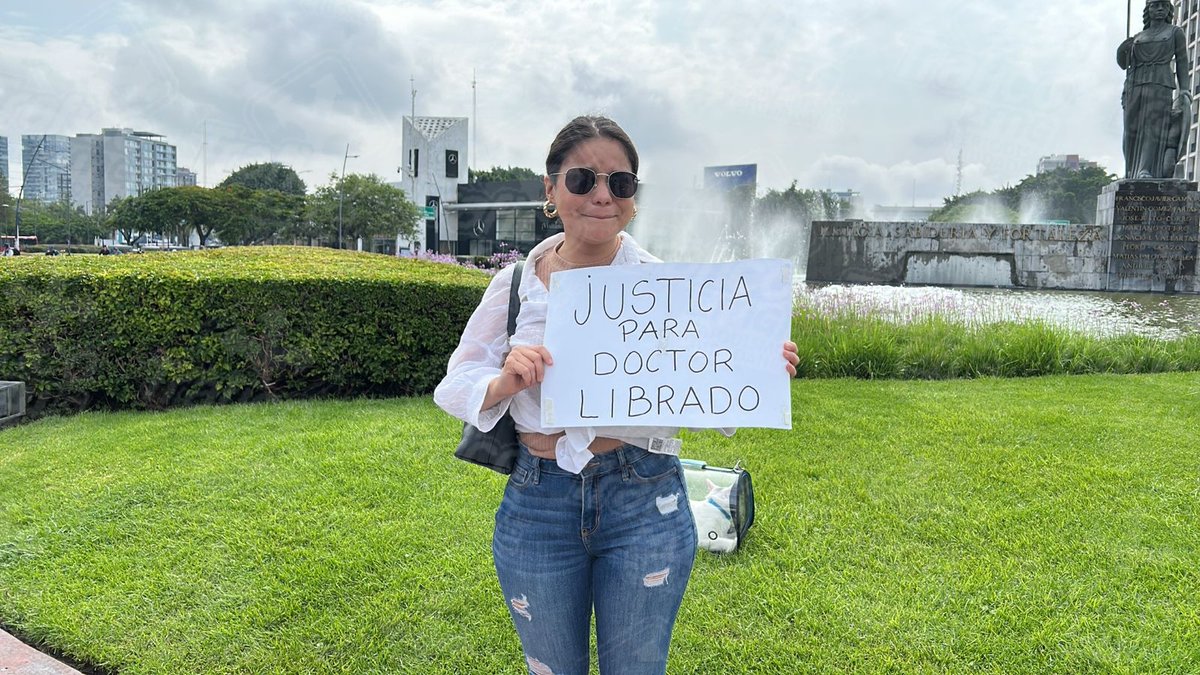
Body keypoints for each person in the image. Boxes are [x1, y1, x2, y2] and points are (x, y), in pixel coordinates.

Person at [435, 115, 800, 674]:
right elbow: (455, 384)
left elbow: (708, 385)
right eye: (583, 180)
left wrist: (760, 368)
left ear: (634, 196)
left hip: (644, 497)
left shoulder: (670, 287)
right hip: (539, 500)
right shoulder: (515, 283)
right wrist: (505, 382)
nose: (602, 195)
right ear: (551, 190)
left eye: (621, 183)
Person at [1119, 0, 1191, 179]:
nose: (1160, 9)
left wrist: (1185, 89)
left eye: (1164, 6)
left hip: (1160, 84)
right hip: (1134, 84)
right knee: (1130, 129)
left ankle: (1146, 169)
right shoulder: (1137, 36)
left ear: (1169, 10)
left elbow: (1182, 61)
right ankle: (1129, 170)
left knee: (1153, 127)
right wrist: (1124, 49)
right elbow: (1124, 63)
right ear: (1148, 10)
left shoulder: (1175, 32)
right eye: (1155, 5)